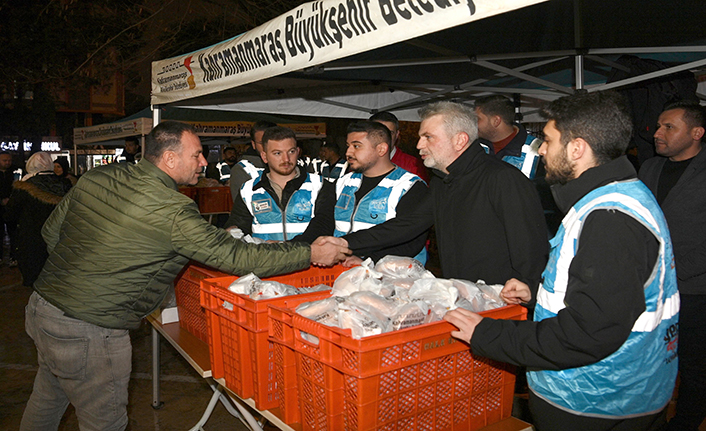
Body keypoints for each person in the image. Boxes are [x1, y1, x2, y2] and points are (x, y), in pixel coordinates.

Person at [19, 121, 350, 431]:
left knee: (47, 399)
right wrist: (310, 253)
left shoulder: (98, 178)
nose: (204, 161)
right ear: (169, 158)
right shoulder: (173, 209)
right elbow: (235, 256)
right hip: (91, 328)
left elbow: (52, 233)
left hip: (43, 308)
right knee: (103, 422)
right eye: (196, 155)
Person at [445, 91, 679, 431]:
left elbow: (588, 333)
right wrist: (537, 293)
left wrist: (488, 334)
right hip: (607, 394)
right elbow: (604, 292)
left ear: (577, 148)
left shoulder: (610, 217)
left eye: (548, 140)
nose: (540, 150)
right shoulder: (612, 196)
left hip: (597, 403)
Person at [321, 102, 547, 285]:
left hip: (500, 301)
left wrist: (525, 290)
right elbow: (407, 224)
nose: (419, 145)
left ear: (460, 140)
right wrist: (344, 243)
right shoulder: (443, 180)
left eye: (428, 137)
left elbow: (530, 249)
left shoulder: (502, 179)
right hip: (461, 295)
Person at [638, 101, 706, 431]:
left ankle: (686, 423)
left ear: (697, 133)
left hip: (694, 289)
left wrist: (674, 271)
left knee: (694, 364)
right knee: (652, 360)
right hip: (650, 287)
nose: (658, 134)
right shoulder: (650, 168)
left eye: (669, 127)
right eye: (659, 126)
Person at [295, 121, 428, 264]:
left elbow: (412, 241)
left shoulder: (410, 186)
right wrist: (292, 248)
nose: (348, 153)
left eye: (356, 146)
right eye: (348, 146)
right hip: (344, 274)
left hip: (392, 278)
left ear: (381, 149)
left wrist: (370, 260)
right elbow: (323, 223)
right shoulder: (343, 183)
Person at [226, 126, 326, 241]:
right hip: (265, 258)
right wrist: (232, 231)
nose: (286, 159)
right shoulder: (248, 190)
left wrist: (287, 249)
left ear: (298, 152)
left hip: (308, 257)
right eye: (277, 153)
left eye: (291, 151)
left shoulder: (319, 185)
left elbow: (323, 225)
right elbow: (239, 224)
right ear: (264, 156)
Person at [5, 152, 71, 286]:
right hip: (59, 238)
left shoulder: (24, 186)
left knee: (34, 279)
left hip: (31, 239)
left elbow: (10, 214)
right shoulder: (64, 184)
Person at [473, 95, 541, 179]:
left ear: (496, 121)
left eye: (477, 119)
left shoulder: (539, 151)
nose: (473, 123)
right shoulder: (474, 145)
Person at [369, 111, 430, 182]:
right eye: (378, 133)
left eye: (390, 133)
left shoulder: (413, 165)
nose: (384, 138)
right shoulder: (358, 161)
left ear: (397, 135)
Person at [229, 120, 277, 200]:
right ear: (253, 144)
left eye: (272, 142)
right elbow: (242, 208)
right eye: (262, 143)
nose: (267, 146)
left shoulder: (289, 164)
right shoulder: (242, 169)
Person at [0, 151, 19, 267]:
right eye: (5, 160)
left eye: (9, 160)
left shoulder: (14, 173)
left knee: (13, 233)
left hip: (11, 207)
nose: (7, 163)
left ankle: (13, 257)